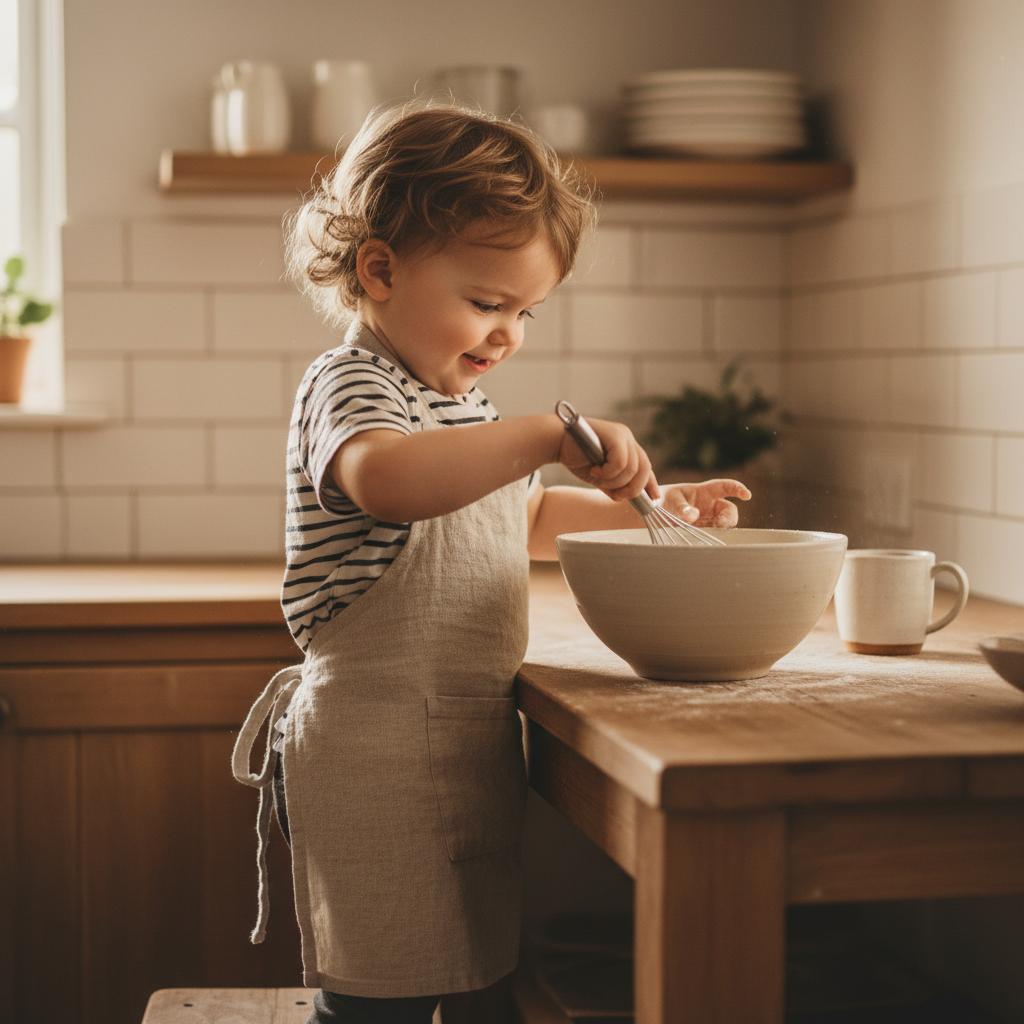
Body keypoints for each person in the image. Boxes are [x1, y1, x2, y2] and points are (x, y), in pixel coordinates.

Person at [233, 102, 749, 1024]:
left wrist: (655, 510)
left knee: (479, 975)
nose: (507, 332)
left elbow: (527, 515)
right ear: (379, 270)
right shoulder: (351, 385)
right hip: (373, 751)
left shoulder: (463, 407)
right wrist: (546, 434)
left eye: (525, 311)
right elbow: (388, 480)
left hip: (467, 746)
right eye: (485, 302)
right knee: (376, 997)